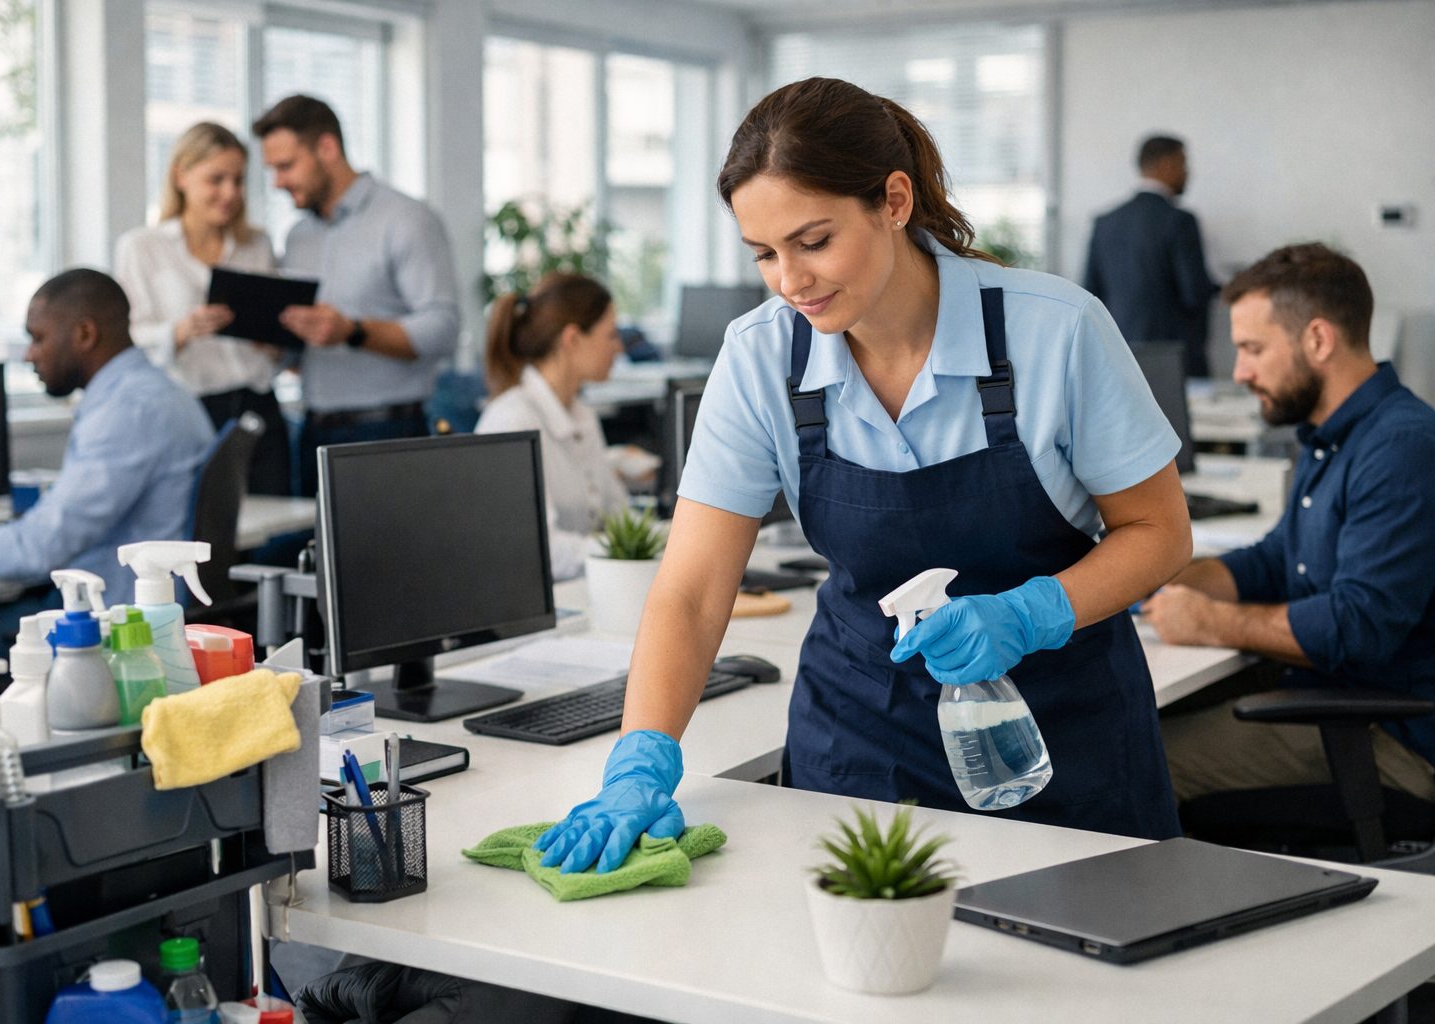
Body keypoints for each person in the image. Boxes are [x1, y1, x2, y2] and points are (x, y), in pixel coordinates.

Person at [535, 77, 1193, 875]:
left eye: (813, 242)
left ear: (893, 200)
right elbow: (693, 587)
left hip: (1066, 738)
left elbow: (1160, 533)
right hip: (860, 742)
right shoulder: (761, 357)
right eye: (764, 255)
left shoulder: (1055, 331)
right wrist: (642, 756)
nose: (789, 281)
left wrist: (1032, 611)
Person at [1145, 243, 1435, 807]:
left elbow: (1357, 626)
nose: (1240, 371)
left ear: (1318, 340)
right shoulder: (1331, 436)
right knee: (1135, 729)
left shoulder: (1401, 448)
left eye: (1253, 349)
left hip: (1394, 739)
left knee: (1139, 766)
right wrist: (1178, 579)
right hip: (1335, 701)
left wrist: (1212, 623)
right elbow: (1281, 557)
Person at [0, 270, 213, 678]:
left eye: (39, 337)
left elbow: (40, 549)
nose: (29, 354)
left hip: (107, 633)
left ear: (84, 334)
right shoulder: (158, 392)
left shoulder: (128, 409)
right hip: (133, 618)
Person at [251, 95, 459, 495]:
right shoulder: (298, 237)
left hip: (388, 434)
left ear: (326, 148)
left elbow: (443, 328)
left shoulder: (405, 219)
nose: (277, 182)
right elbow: (308, 348)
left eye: (286, 166)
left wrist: (353, 331)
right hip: (313, 432)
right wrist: (277, 344)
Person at [114, 121, 291, 495]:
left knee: (277, 530)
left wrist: (272, 338)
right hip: (189, 411)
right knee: (202, 532)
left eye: (238, 181)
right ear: (181, 176)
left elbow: (278, 346)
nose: (230, 193)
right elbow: (126, 344)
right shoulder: (142, 248)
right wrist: (179, 332)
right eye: (217, 179)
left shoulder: (256, 245)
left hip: (259, 409)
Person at [474, 274, 635, 581]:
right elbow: (536, 550)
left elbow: (619, 517)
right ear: (572, 339)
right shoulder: (511, 421)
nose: (620, 348)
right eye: (611, 335)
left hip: (584, 591)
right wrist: (627, 550)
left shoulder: (582, 415)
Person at [1084, 135, 1218, 378]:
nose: (1188, 173)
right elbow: (1194, 292)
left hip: (1118, 353)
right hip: (1175, 357)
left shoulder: (1104, 223)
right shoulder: (1180, 221)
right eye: (1183, 164)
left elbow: (1090, 291)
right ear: (1166, 164)